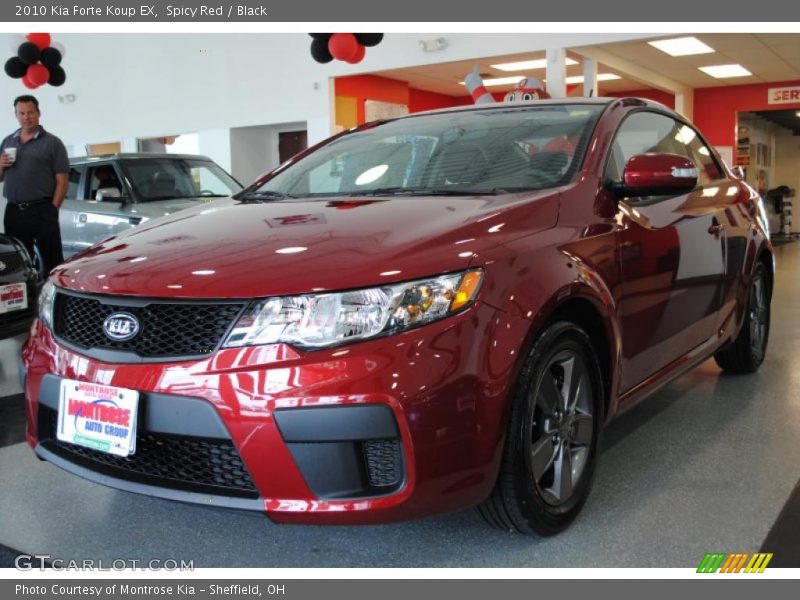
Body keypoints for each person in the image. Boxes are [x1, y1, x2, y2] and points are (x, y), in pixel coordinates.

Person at [0, 95, 69, 276]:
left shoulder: (52, 143)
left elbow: (62, 180)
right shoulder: (8, 141)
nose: (26, 117)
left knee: (52, 259)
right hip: (14, 210)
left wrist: (52, 209)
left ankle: (53, 291)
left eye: (30, 112)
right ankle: (26, 293)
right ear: (16, 115)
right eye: (21, 113)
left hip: (43, 208)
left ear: (38, 113)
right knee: (17, 261)